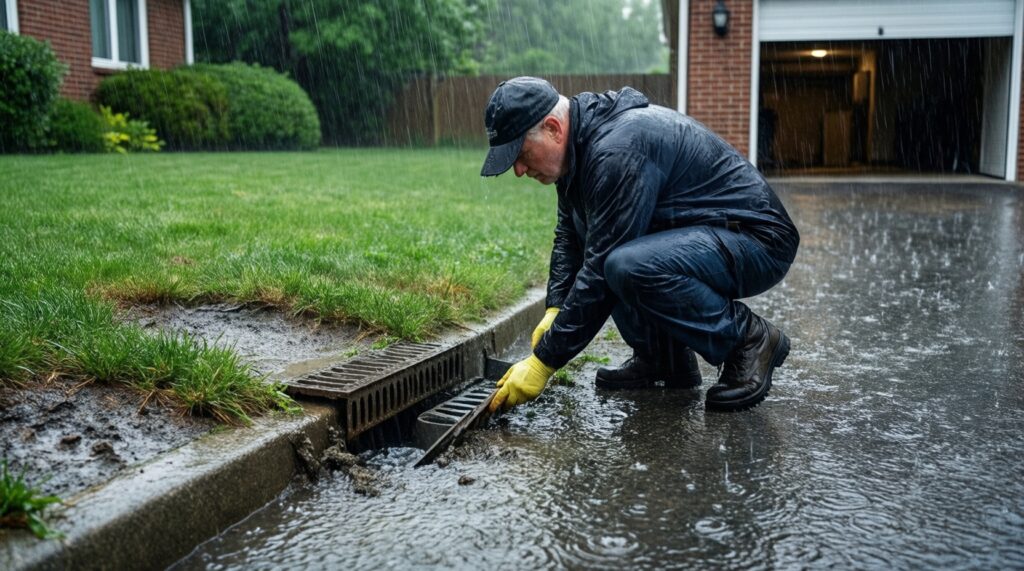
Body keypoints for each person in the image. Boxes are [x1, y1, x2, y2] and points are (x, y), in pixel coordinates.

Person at [482, 76, 799, 413]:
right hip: (709, 234)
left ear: (553, 128)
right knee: (605, 243)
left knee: (622, 264)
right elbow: (569, 234)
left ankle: (748, 338)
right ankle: (664, 361)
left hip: (757, 240)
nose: (517, 170)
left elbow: (599, 273)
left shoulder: (616, 150)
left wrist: (544, 362)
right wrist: (556, 307)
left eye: (521, 153)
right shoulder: (580, 150)